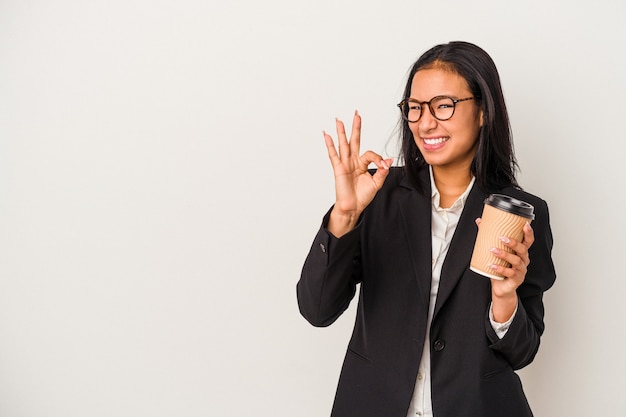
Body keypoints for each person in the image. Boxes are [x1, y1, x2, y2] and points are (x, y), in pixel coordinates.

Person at [296, 41, 556, 417]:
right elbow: (316, 309)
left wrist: (504, 299)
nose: (425, 122)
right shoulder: (376, 194)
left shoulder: (519, 213)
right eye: (415, 108)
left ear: (483, 111)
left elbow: (522, 351)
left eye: (444, 105)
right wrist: (345, 217)